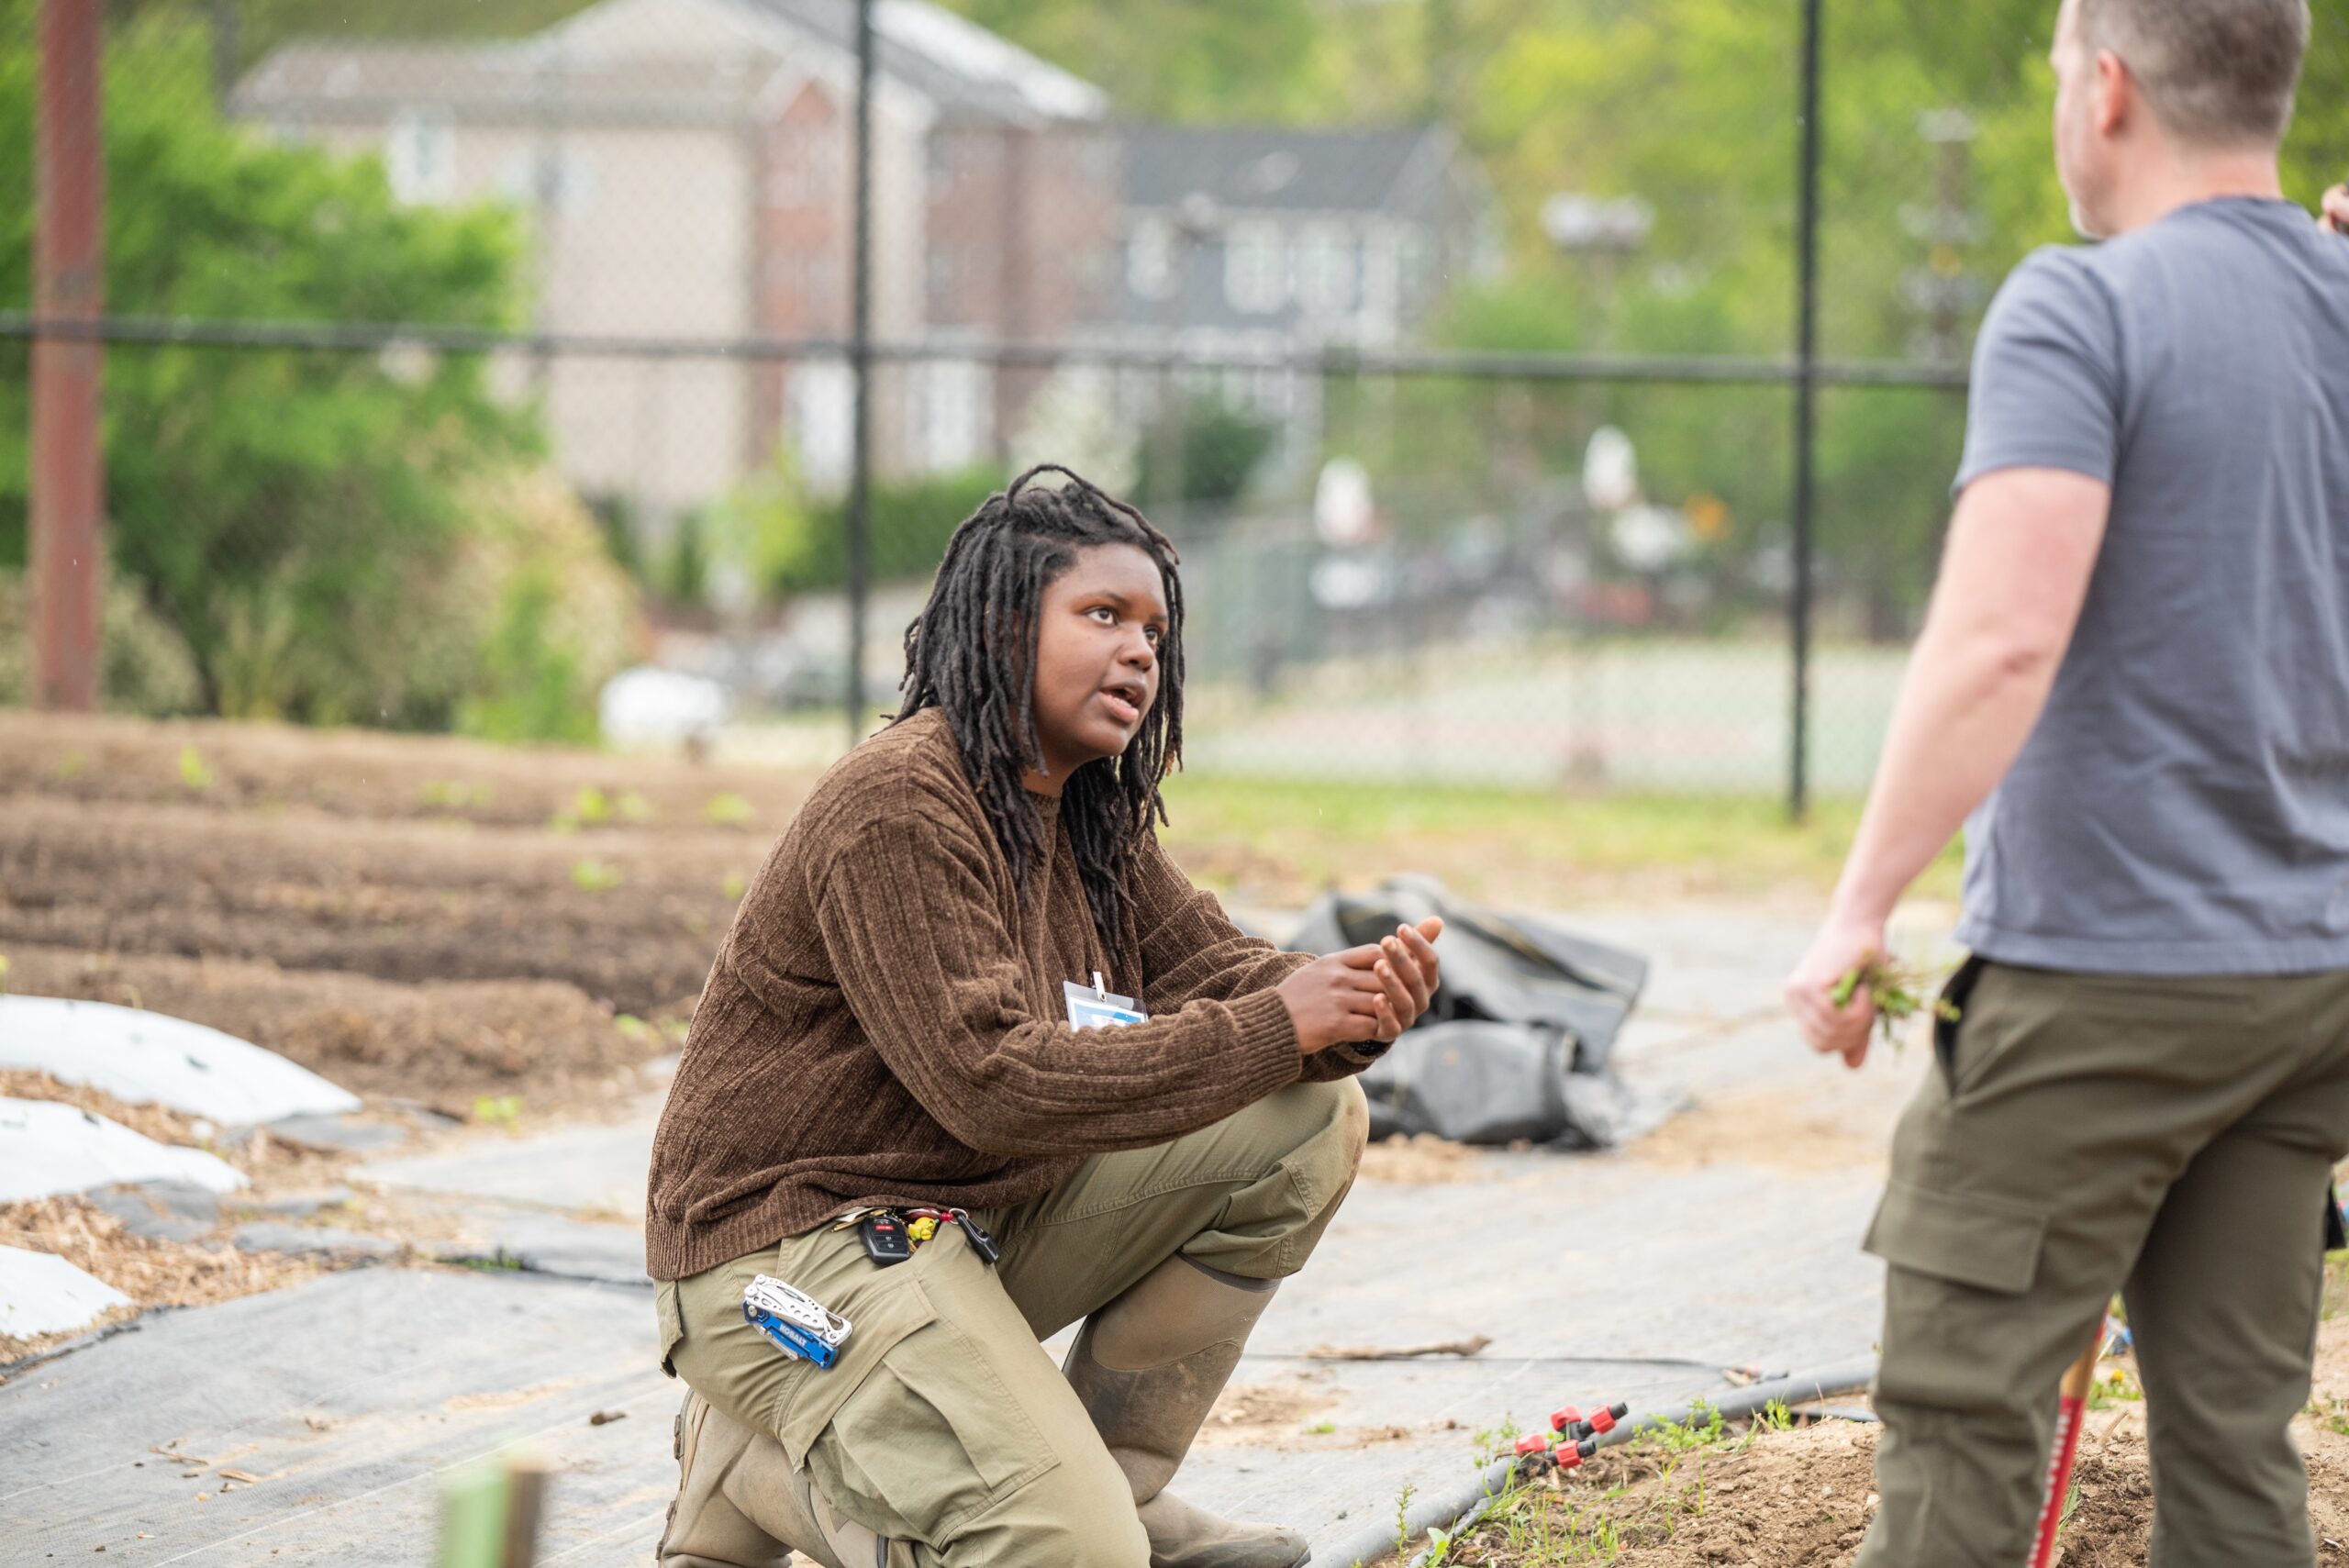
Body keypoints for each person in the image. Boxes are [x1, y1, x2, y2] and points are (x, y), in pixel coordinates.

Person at [1784, 1, 2349, 1562]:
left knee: (1965, 1412)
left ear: (2106, 90)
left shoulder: (2078, 307)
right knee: (2240, 1436)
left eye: (2051, 73)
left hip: (2109, 977)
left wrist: (1859, 905)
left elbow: (2000, 643)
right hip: (2313, 983)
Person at [648, 465, 1444, 1568]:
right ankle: (765, 1470)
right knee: (1069, 1560)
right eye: (1103, 615)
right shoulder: (898, 803)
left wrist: (1349, 1005)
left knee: (1309, 1116)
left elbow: (1223, 970)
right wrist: (1277, 1022)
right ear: (998, 625)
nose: (1139, 653)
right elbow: (987, 1080)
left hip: (962, 1223)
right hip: (785, 1251)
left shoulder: (1088, 820)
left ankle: (1108, 1490)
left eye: (1156, 632)